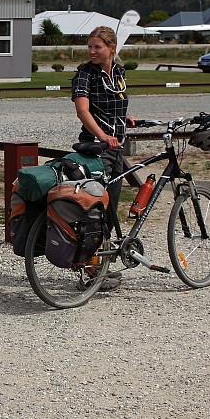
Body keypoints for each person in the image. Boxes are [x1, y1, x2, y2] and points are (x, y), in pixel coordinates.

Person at [71, 25, 135, 286]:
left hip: (117, 146)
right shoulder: (86, 74)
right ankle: (90, 267)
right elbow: (83, 111)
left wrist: (125, 120)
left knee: (111, 208)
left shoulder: (118, 72)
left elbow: (116, 104)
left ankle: (101, 263)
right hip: (98, 148)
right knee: (97, 206)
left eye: (97, 47)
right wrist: (101, 135)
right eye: (90, 47)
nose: (92, 51)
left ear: (112, 48)